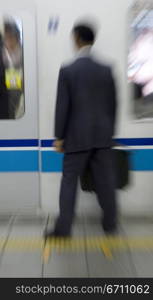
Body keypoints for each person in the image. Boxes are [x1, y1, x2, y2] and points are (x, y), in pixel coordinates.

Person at [45, 23, 117, 238]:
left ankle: (63, 229)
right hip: (103, 136)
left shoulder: (68, 70)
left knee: (69, 182)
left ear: (76, 39)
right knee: (106, 182)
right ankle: (110, 224)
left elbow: (63, 106)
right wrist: (109, 132)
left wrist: (59, 137)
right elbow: (114, 104)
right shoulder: (106, 69)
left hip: (76, 137)